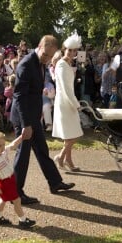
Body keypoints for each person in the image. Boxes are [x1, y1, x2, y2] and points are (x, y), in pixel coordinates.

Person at [10, 35, 75, 205]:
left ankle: (55, 182)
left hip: (32, 116)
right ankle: (16, 193)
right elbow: (19, 96)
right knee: (23, 156)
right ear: (39, 46)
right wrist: (26, 125)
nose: (46, 59)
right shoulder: (26, 64)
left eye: (49, 56)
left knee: (42, 150)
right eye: (45, 55)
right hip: (24, 118)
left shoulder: (40, 63)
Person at [0, 131, 36, 228]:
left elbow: (12, 145)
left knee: (3, 200)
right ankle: (23, 220)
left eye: (3, 144)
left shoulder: (2, 152)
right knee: (17, 200)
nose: (2, 147)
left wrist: (21, 137)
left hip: (10, 179)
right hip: (4, 183)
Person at [52, 33, 83, 172]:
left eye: (74, 50)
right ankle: (61, 157)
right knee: (74, 134)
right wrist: (76, 104)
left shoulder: (67, 64)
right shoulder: (62, 64)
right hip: (65, 103)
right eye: (69, 50)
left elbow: (68, 85)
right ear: (65, 49)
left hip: (67, 101)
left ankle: (68, 160)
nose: (71, 52)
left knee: (70, 135)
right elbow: (65, 89)